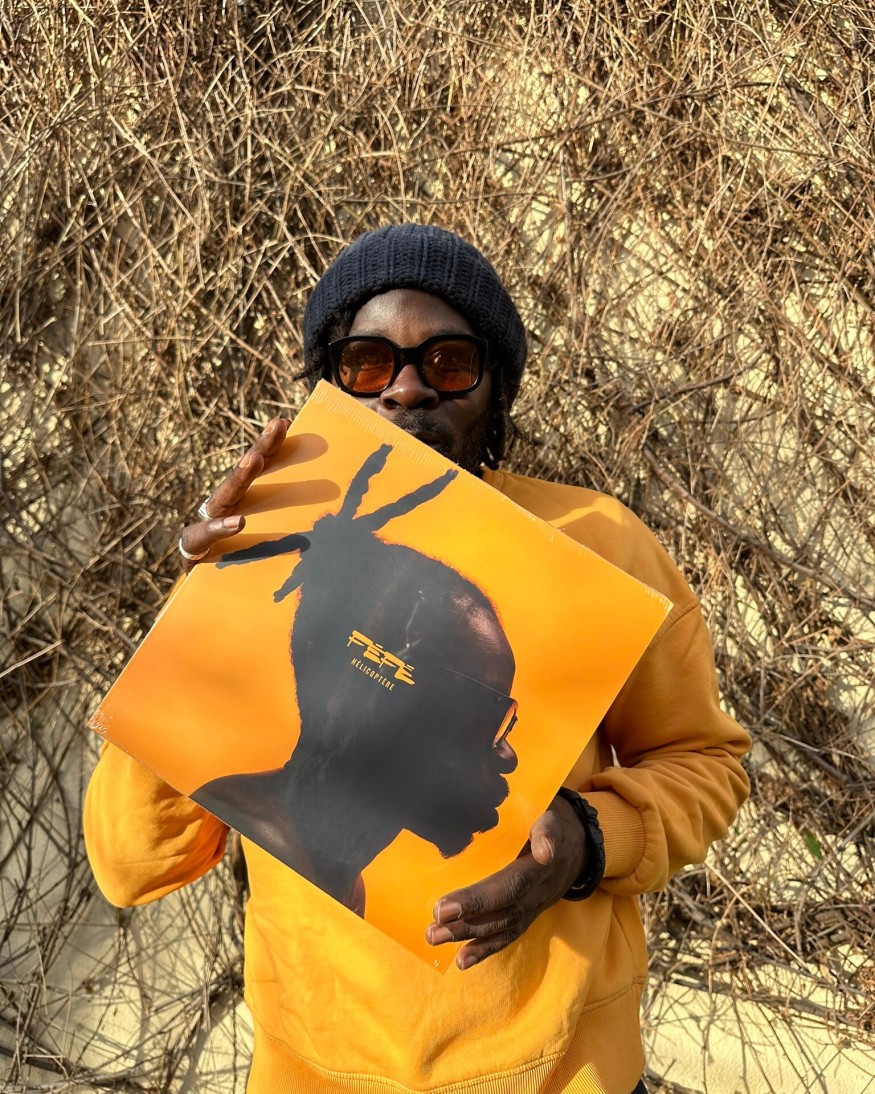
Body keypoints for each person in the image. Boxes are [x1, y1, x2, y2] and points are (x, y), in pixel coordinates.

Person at [84, 224, 751, 1094]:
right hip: (312, 1072)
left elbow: (705, 762)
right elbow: (131, 864)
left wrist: (589, 841)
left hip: (565, 1072)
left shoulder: (599, 544)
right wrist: (201, 613)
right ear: (329, 385)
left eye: (448, 362)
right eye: (366, 363)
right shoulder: (266, 543)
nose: (405, 388)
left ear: (494, 389)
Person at [192, 443, 520, 913]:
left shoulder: (344, 883)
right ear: (381, 692)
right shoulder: (286, 846)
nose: (507, 754)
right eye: (491, 712)